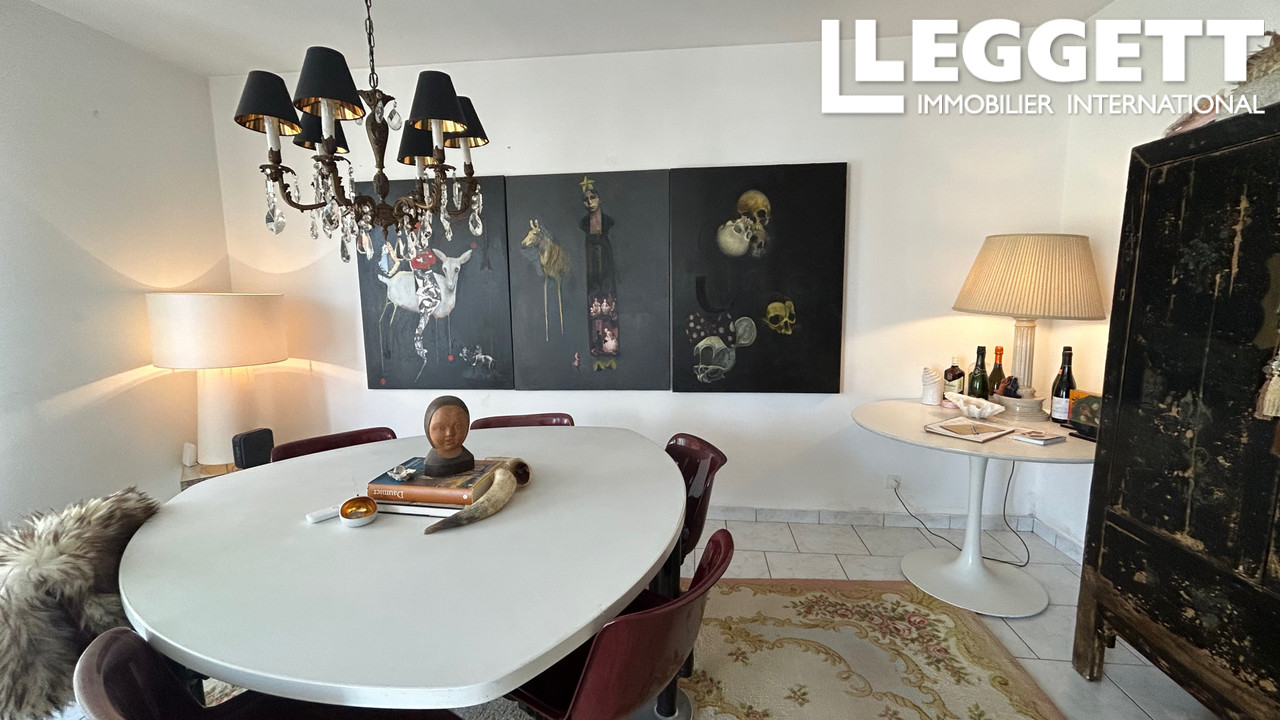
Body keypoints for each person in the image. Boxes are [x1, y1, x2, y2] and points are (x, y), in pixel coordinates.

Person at [422, 395, 475, 476]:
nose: (449, 433)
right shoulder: (431, 463)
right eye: (441, 428)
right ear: (428, 428)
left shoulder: (467, 457)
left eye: (458, 426)